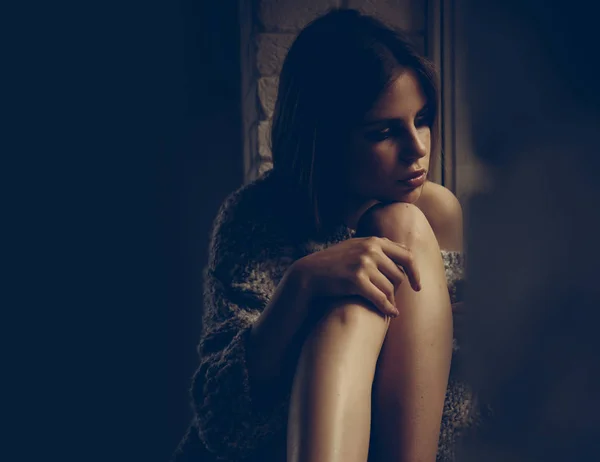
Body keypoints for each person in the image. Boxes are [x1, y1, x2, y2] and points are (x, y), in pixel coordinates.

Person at [173, 8, 482, 462]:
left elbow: (455, 409)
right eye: (384, 132)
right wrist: (302, 285)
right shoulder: (256, 217)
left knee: (400, 228)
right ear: (326, 138)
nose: (417, 147)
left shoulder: (436, 213)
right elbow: (222, 421)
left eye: (422, 119)